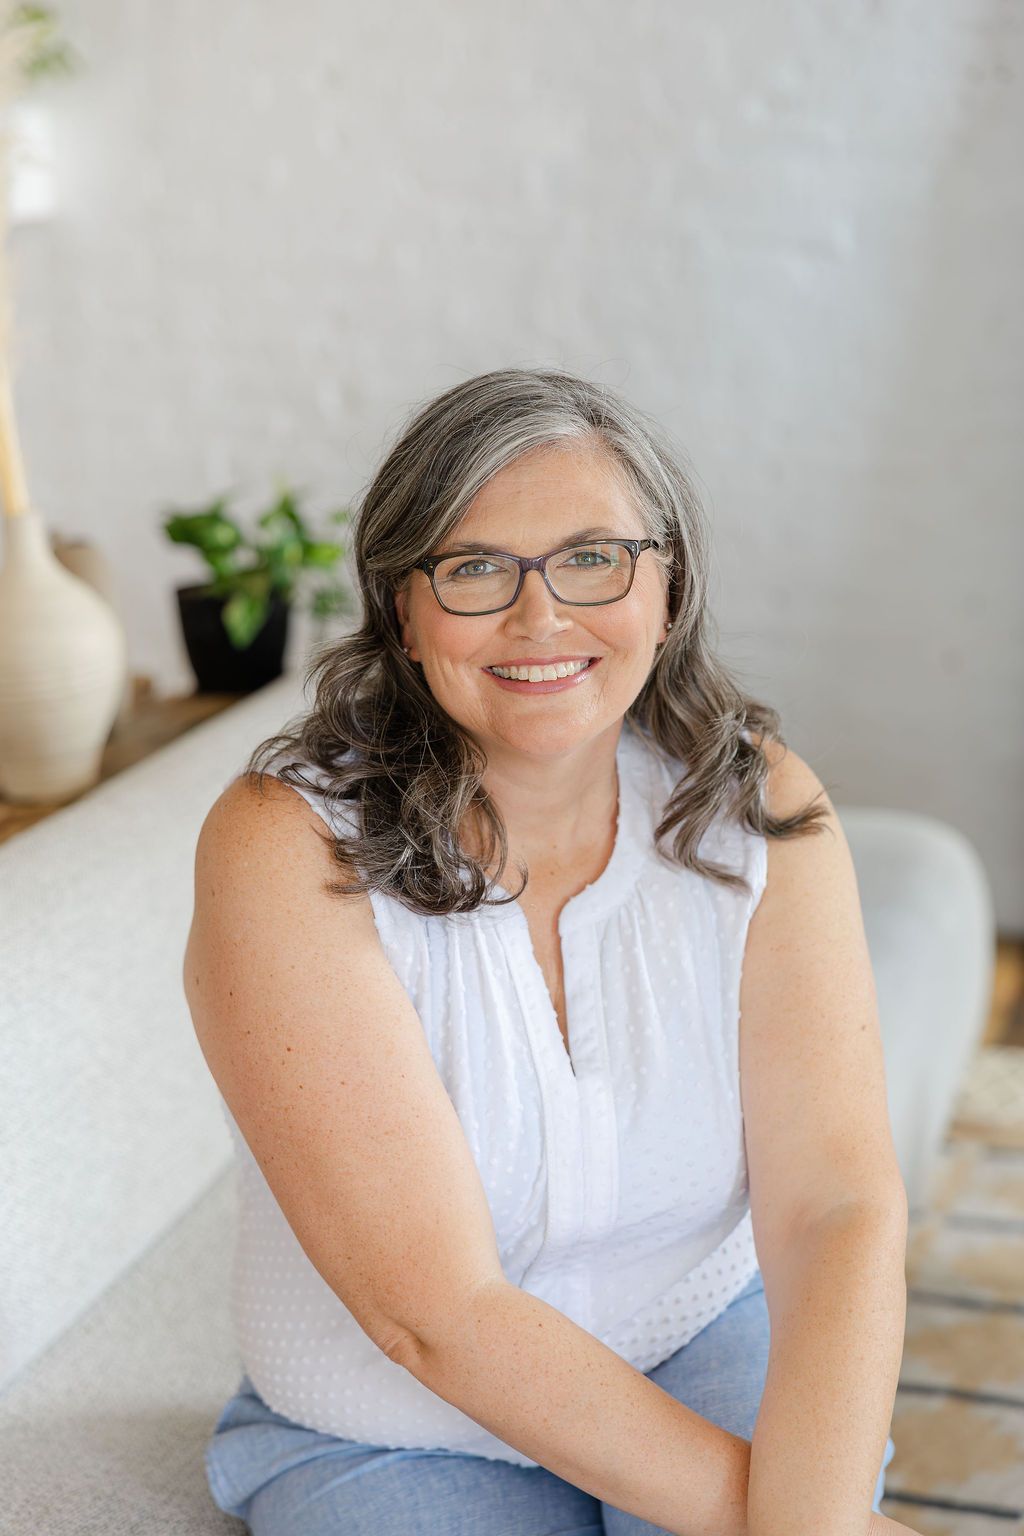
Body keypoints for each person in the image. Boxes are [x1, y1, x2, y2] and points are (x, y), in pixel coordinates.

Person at [184, 367, 909, 1536]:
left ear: (666, 587)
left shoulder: (758, 805)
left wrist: (808, 1522)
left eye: (592, 557)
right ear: (402, 611)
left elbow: (836, 1204)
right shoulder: (285, 846)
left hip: (697, 1339)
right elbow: (436, 1314)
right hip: (393, 1421)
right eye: (474, 569)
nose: (540, 618)